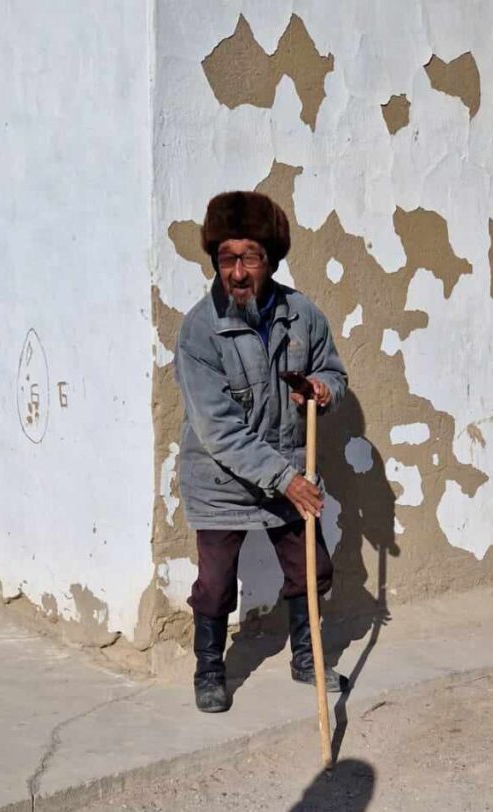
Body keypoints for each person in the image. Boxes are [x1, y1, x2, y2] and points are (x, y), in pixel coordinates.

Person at [175, 190, 349, 713]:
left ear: (270, 259)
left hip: (289, 469)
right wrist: (285, 479)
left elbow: (334, 370)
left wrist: (322, 388)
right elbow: (218, 429)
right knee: (215, 584)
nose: (237, 271)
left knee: (311, 568)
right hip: (221, 478)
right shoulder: (200, 329)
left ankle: (306, 657)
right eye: (227, 258)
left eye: (248, 256)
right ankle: (209, 669)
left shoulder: (303, 315)